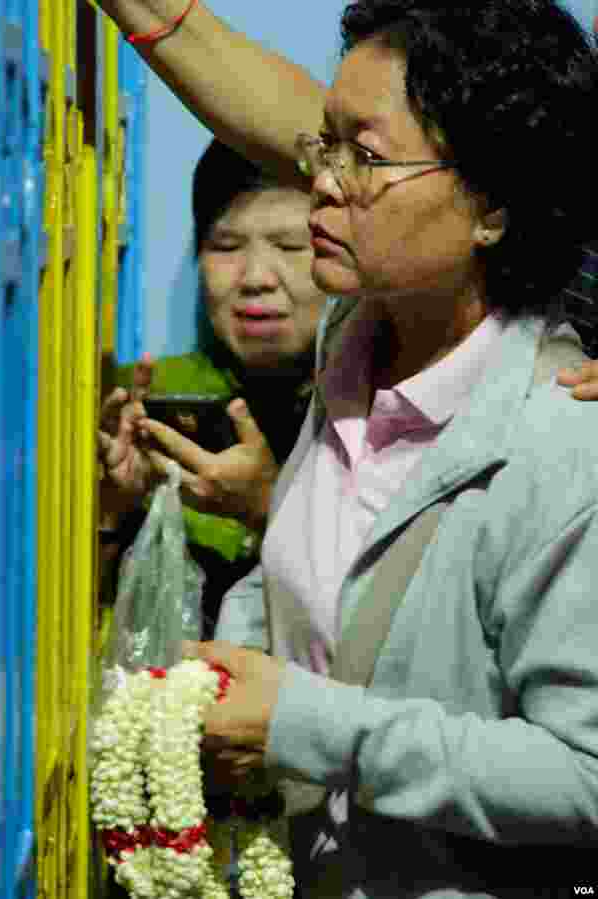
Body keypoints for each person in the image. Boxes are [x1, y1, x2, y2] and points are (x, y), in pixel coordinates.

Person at [95, 0, 598, 894]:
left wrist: (305, 729)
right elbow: (317, 592)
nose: (320, 181)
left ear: (492, 209)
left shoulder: (561, 444)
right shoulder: (350, 349)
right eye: (324, 144)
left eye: (362, 157)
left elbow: (586, 776)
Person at [98, 138, 325, 638]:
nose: (255, 278)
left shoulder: (377, 413)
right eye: (225, 246)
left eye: (290, 247)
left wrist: (267, 506)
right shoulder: (145, 403)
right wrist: (112, 507)